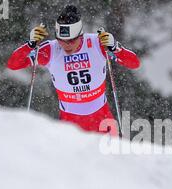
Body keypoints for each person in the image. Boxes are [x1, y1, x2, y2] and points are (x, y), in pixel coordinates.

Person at [7, 5, 140, 135]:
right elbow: (13, 64)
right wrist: (30, 45)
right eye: (62, 40)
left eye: (71, 40)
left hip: (102, 118)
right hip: (69, 122)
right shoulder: (50, 50)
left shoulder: (97, 43)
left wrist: (114, 48)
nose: (66, 45)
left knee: (112, 156)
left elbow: (134, 63)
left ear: (80, 35)